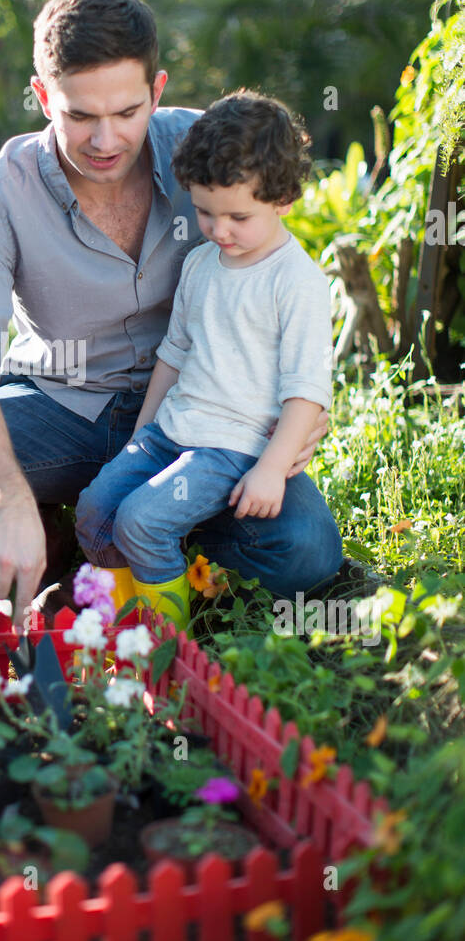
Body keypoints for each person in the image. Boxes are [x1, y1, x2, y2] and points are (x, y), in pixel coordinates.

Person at [0, 0, 341, 624]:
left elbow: (276, 266)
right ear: (44, 98)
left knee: (304, 549)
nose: (104, 139)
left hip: (201, 415)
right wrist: (8, 498)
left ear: (157, 89)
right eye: (79, 116)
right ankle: (55, 532)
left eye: (126, 112)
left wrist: (292, 421)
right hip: (60, 406)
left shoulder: (207, 152)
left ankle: (140, 547)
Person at [74, 91, 333, 625]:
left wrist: (271, 469)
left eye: (238, 216)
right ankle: (120, 618)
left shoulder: (296, 281)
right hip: (170, 432)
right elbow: (174, 355)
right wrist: (141, 436)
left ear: (284, 198)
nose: (219, 231)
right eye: (205, 213)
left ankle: (163, 641)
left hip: (231, 448)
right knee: (96, 510)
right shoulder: (200, 264)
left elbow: (306, 391)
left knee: (141, 521)